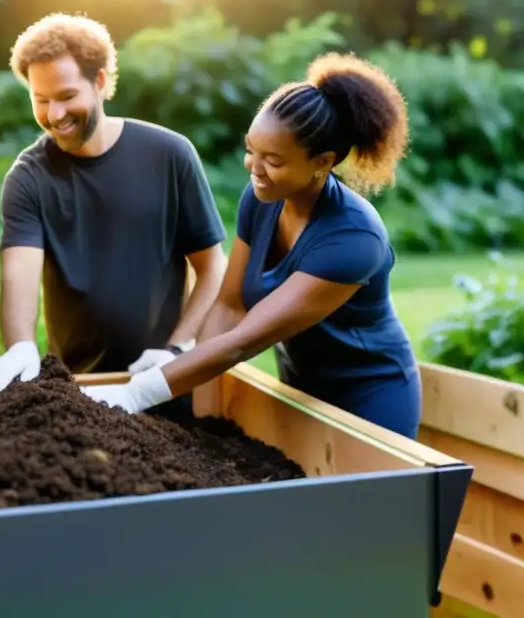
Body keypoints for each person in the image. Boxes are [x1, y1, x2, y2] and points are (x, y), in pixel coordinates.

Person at [82, 52, 422, 439]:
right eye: (251, 150)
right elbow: (230, 306)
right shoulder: (261, 200)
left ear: (323, 162)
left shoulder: (353, 240)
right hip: (299, 387)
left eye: (273, 160)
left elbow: (243, 342)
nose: (253, 168)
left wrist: (135, 394)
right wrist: (182, 358)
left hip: (368, 396)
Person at [0, 12, 229, 400]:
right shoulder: (28, 178)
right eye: (40, 100)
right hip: (79, 393)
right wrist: (21, 349)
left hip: (162, 382)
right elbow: (18, 278)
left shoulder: (169, 155)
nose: (54, 115)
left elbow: (212, 267)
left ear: (99, 81)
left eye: (66, 97)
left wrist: (178, 350)